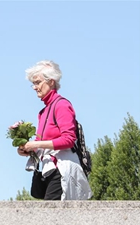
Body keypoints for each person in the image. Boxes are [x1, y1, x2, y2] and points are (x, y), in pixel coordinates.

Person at [17, 60, 92, 200]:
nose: (34, 87)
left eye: (38, 82)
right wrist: (27, 149)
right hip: (48, 170)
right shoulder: (43, 112)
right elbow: (40, 144)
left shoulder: (62, 105)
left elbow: (69, 140)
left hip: (62, 169)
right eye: (33, 83)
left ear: (51, 82)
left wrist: (36, 144)